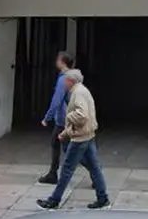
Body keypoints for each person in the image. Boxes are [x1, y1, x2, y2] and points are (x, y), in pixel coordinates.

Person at [37, 69, 110, 210]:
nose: (64, 83)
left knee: (67, 169)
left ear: (71, 81)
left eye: (65, 80)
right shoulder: (83, 90)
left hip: (80, 138)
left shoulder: (77, 93)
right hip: (88, 135)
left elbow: (81, 116)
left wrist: (68, 116)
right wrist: (65, 133)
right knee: (94, 168)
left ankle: (54, 200)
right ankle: (103, 198)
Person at [39, 51, 75, 185]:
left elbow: (57, 100)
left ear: (62, 62)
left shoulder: (63, 79)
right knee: (59, 144)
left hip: (63, 119)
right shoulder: (72, 77)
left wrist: (47, 117)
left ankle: (95, 172)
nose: (56, 61)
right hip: (68, 117)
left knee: (66, 147)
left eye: (58, 59)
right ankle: (53, 173)